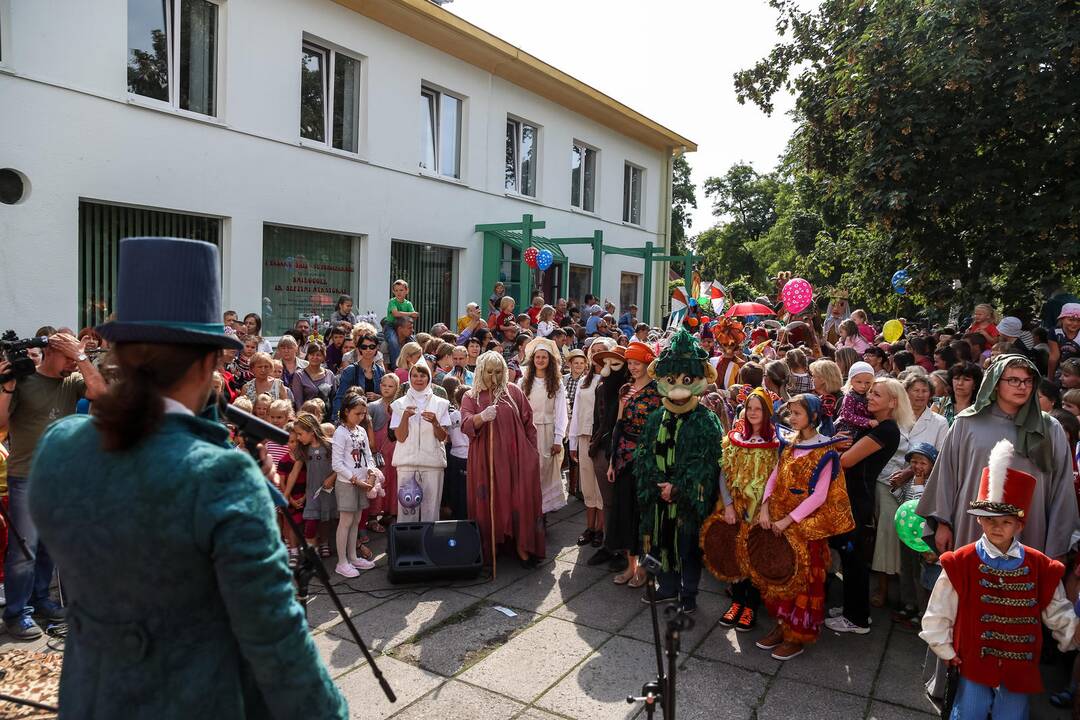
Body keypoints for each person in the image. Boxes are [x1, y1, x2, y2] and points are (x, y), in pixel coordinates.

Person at [27, 237, 346, 716]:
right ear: (206, 362)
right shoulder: (220, 476)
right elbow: (277, 643)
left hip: (92, 699)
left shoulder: (60, 447)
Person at [916, 354, 1080, 701]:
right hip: (970, 528)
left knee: (1014, 612)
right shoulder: (967, 423)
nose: (1021, 387)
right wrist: (942, 521)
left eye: (1027, 381)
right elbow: (947, 475)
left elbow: (1062, 490)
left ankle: (1008, 690)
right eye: (1013, 380)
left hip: (1029, 534)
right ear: (995, 382)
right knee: (963, 601)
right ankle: (952, 679)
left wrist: (1056, 546)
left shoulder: (1049, 429)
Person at [920, 440, 1080, 719]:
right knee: (970, 712)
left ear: (1020, 525)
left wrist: (1071, 630)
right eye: (990, 520)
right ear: (979, 521)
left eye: (1006, 522)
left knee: (1012, 715)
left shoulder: (1040, 566)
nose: (997, 527)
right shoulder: (962, 561)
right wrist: (943, 647)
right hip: (974, 662)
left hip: (1020, 666)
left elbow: (1056, 608)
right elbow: (940, 608)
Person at [0, 328, 106, 639]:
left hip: (60, 477)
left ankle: (41, 599)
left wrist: (81, 356)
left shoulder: (73, 381)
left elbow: (101, 393)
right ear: (49, 351)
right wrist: (6, 387)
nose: (73, 361)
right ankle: (17, 612)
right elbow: (1, 424)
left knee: (49, 546)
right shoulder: (24, 380)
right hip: (27, 477)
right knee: (24, 550)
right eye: (68, 353)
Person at [753, 394, 854, 660]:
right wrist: (764, 507)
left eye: (797, 413)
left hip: (804, 528)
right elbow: (774, 476)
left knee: (802, 582)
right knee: (779, 576)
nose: (792, 418)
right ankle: (781, 625)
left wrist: (788, 520)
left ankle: (796, 636)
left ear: (813, 417)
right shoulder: (789, 443)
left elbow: (819, 496)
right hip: (778, 522)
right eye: (791, 413)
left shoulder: (826, 452)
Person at [635, 330, 723, 613]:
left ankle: (689, 593)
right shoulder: (655, 418)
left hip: (686, 504)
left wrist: (680, 489)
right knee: (659, 542)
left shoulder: (706, 421)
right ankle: (668, 587)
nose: (678, 388)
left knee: (687, 548)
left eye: (686, 380)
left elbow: (707, 463)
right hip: (659, 500)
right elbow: (644, 454)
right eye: (671, 381)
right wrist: (656, 485)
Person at [825, 378, 905, 634]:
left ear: (892, 402)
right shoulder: (882, 427)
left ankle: (856, 618)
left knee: (854, 559)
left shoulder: (886, 430)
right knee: (852, 558)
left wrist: (830, 450)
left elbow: (847, 460)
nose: (870, 397)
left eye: (877, 395)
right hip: (856, 496)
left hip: (858, 499)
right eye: (870, 393)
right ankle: (855, 609)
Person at [461, 351, 545, 568]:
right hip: (485, 460)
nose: (494, 377)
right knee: (491, 499)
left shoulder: (514, 392)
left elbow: (529, 423)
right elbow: (465, 424)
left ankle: (522, 545)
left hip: (516, 457)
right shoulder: (471, 396)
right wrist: (481, 417)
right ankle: (491, 546)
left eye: (498, 372)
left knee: (519, 499)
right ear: (481, 371)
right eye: (489, 372)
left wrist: (532, 453)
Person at [710, 386, 781, 632]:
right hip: (735, 510)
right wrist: (728, 505)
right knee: (735, 557)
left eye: (758, 409)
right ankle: (737, 601)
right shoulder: (735, 439)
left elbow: (776, 481)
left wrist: (765, 509)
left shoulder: (776, 444)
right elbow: (724, 474)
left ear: (767, 412)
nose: (752, 413)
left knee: (754, 557)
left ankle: (751, 606)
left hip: (759, 512)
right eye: (749, 408)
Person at [606, 341, 661, 588]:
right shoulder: (625, 389)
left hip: (648, 459)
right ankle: (631, 567)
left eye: (637, 363)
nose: (633, 367)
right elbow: (618, 425)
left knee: (646, 516)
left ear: (648, 363)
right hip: (624, 458)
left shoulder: (659, 391)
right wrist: (611, 461)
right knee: (626, 513)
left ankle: (647, 571)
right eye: (630, 363)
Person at [390, 358, 450, 523]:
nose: (418, 379)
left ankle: (428, 546)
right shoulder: (399, 404)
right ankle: (407, 545)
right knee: (406, 510)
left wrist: (435, 422)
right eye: (415, 375)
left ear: (429, 378)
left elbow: (443, 437)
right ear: (409, 378)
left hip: (432, 464)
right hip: (406, 463)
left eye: (422, 375)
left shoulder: (441, 403)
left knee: (431, 511)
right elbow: (400, 437)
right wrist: (404, 418)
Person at [518, 338, 568, 515]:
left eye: (544, 357)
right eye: (537, 357)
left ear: (550, 360)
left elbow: (561, 412)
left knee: (545, 471)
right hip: (528, 433)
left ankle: (542, 512)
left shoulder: (556, 383)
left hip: (547, 432)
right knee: (528, 471)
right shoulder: (523, 382)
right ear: (532, 359)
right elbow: (518, 410)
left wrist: (558, 438)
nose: (540, 360)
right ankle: (528, 511)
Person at [332, 392, 379, 577]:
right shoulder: (340, 432)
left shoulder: (360, 431)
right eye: (357, 414)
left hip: (362, 483)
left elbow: (368, 454)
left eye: (363, 414)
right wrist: (354, 479)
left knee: (357, 521)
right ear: (346, 412)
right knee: (346, 521)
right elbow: (337, 463)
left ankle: (352, 556)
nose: (360, 417)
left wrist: (371, 472)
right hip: (348, 483)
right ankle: (341, 561)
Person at [893, 441, 937, 624]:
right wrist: (896, 487)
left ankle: (922, 611)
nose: (918, 466)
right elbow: (904, 503)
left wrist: (919, 485)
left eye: (923, 463)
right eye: (914, 462)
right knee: (907, 569)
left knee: (920, 574)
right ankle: (908, 604)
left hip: (923, 539)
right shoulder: (910, 481)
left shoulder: (933, 484)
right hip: (907, 537)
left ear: (932, 465)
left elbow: (920, 509)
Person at [569, 344, 605, 548]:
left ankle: (601, 529)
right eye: (594, 351)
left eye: (602, 350)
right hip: (584, 436)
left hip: (601, 439)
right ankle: (590, 527)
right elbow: (576, 412)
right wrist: (572, 441)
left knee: (601, 487)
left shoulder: (612, 380)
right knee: (588, 485)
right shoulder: (584, 380)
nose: (597, 354)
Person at [295, 412, 337, 560]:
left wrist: (332, 477)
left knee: (326, 519)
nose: (298, 438)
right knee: (311, 522)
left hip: (328, 491)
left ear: (311, 432)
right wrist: (286, 494)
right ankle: (311, 550)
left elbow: (340, 464)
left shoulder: (330, 445)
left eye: (300, 434)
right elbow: (295, 471)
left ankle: (324, 543)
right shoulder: (304, 449)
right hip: (312, 491)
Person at [291, 341, 337, 418]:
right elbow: (298, 402)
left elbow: (334, 399)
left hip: (326, 418)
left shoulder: (330, 374)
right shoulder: (299, 375)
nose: (315, 357)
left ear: (323, 357)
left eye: (318, 355)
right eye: (312, 354)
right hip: (307, 418)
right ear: (308, 356)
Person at [933, 361, 983, 426]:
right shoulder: (939, 403)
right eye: (956, 379)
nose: (960, 383)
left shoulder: (980, 408)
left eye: (966, 379)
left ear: (975, 384)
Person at [835, 361, 877, 437]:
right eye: (859, 382)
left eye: (867, 383)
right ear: (851, 381)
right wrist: (868, 422)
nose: (863, 386)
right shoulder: (850, 396)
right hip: (848, 430)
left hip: (863, 429)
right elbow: (848, 415)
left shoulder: (869, 395)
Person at [1049, 302, 1080, 381]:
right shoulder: (1055, 332)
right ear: (1062, 319)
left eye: (1079, 320)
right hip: (1061, 370)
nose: (1075, 323)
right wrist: (1050, 379)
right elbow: (1054, 357)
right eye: (1071, 320)